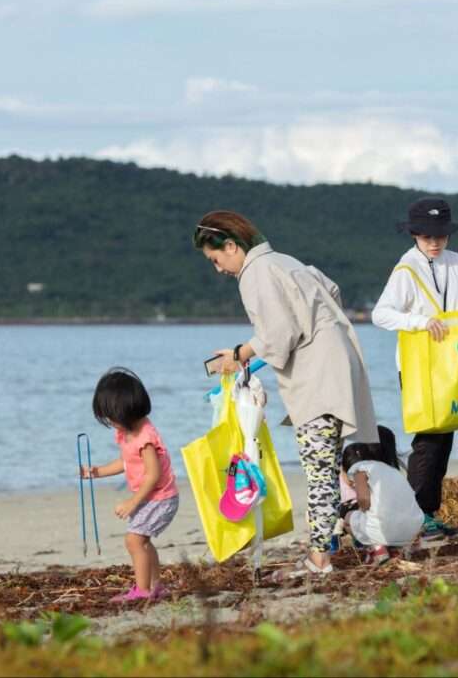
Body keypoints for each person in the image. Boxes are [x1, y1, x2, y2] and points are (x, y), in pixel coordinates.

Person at [193, 210, 379, 575]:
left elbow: (278, 335)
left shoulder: (254, 274)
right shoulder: (284, 261)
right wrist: (320, 328)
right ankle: (322, 549)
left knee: (319, 469)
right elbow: (332, 290)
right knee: (325, 465)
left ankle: (320, 558)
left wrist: (238, 355)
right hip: (337, 364)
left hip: (318, 376)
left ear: (232, 246)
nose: (219, 270)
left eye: (216, 260)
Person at [372, 197, 458, 541]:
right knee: (430, 437)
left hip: (452, 364)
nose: (434, 242)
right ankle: (419, 515)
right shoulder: (406, 269)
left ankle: (422, 513)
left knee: (441, 436)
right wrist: (419, 322)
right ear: (414, 234)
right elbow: (381, 314)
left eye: (440, 236)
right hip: (417, 367)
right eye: (427, 235)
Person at [83, 368, 179, 603]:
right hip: (152, 496)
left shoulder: (145, 437)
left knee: (134, 540)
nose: (110, 423)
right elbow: (126, 462)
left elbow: (154, 474)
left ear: (125, 412)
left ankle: (142, 590)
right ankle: (156, 586)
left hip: (161, 497)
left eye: (111, 417)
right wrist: (97, 472)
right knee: (143, 541)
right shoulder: (126, 431)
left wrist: (132, 502)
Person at [340, 426, 424, 565]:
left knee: (349, 517)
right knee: (385, 518)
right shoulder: (395, 472)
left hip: (384, 530)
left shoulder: (361, 469)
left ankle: (377, 550)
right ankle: (394, 550)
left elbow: (363, 499)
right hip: (411, 530)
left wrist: (363, 509)